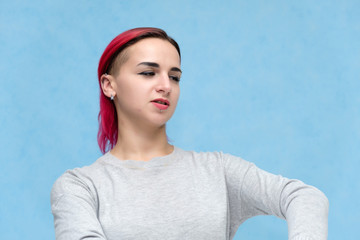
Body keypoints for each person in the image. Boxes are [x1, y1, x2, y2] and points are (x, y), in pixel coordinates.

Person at [51, 27, 329, 240]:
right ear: (109, 85)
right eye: (148, 73)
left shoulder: (217, 171)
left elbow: (304, 196)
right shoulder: (80, 187)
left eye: (175, 77)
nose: (165, 86)